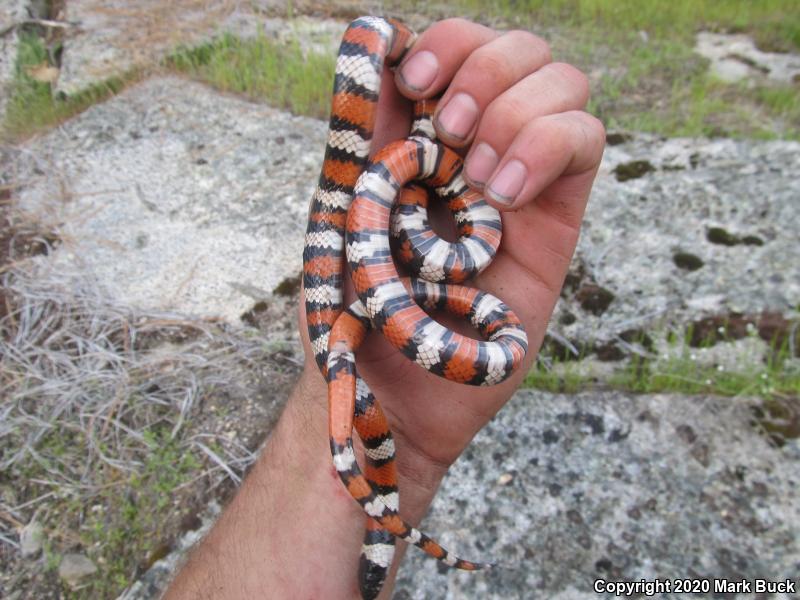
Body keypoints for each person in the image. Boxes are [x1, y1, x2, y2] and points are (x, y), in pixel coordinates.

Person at [165, 17, 605, 600]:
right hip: (417, 259)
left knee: (400, 153)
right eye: (377, 572)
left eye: (373, 574)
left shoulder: (421, 228)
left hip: (420, 252)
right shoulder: (411, 231)